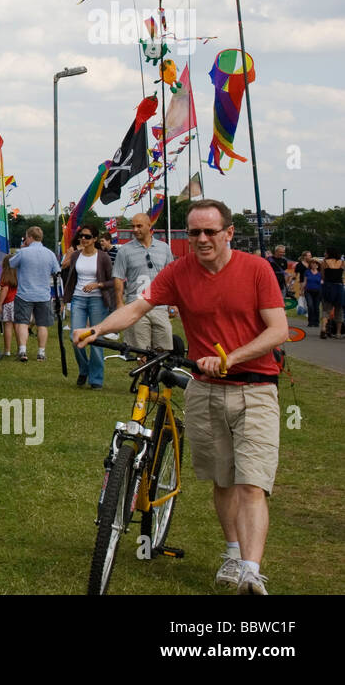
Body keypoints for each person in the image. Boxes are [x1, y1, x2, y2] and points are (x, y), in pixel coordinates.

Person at [77, 199, 288, 595]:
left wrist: (230, 358)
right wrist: (97, 328)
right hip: (205, 390)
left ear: (228, 232)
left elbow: (277, 330)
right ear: (185, 237)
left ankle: (250, 571)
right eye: (194, 233)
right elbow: (139, 306)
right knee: (223, 480)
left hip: (255, 387)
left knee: (252, 483)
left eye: (210, 231)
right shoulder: (179, 271)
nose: (202, 239)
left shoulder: (256, 269)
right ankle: (231, 553)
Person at [62, 224, 116, 389]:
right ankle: (84, 369)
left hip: (97, 300)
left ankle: (96, 379)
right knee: (75, 336)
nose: (83, 239)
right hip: (78, 298)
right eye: (81, 236)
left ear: (94, 239)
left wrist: (98, 285)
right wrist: (65, 299)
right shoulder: (76, 255)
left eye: (86, 236)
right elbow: (67, 273)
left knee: (96, 339)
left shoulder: (103, 257)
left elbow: (113, 281)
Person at [112, 212, 173, 351]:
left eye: (139, 226)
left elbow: (171, 277)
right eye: (132, 226)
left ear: (149, 226)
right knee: (140, 350)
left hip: (159, 306)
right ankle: (145, 371)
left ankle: (156, 373)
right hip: (135, 306)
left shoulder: (164, 248)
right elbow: (118, 277)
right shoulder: (124, 251)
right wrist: (120, 303)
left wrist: (173, 304)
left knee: (163, 350)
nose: (135, 230)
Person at [8, 226, 62, 363]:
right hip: (43, 294)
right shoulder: (49, 253)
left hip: (24, 293)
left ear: (30, 237)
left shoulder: (23, 252)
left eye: (26, 237)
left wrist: (22, 247)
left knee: (22, 322)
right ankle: (41, 352)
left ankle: (22, 350)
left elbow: (11, 263)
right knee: (42, 324)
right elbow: (56, 271)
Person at [0, 255, 18, 357]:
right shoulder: (18, 274)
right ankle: (21, 349)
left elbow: (4, 290)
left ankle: (7, 350)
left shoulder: (5, 276)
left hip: (8, 303)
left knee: (8, 326)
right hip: (18, 302)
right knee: (18, 327)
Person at [320, 247, 343, 338]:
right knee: (339, 309)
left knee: (326, 309)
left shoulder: (325, 262)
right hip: (339, 287)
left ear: (329, 253)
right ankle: (338, 333)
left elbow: (323, 276)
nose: (324, 254)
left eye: (325, 252)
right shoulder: (342, 262)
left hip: (328, 286)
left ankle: (323, 329)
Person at [303, 259, 322, 330]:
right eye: (312, 264)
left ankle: (316, 322)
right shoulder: (307, 272)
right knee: (310, 306)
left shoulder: (320, 273)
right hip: (308, 291)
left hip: (318, 292)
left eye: (315, 264)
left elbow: (323, 282)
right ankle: (310, 322)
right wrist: (301, 290)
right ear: (310, 265)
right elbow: (305, 281)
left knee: (316, 307)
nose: (314, 265)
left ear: (318, 265)